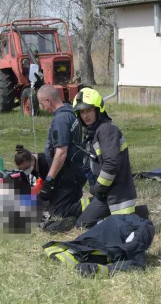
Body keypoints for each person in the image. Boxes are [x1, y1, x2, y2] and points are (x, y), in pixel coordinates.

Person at [72, 87, 137, 228]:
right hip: (105, 194)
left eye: (89, 110)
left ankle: (139, 216)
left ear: (98, 109)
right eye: (82, 112)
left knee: (118, 231)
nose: (85, 115)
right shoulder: (94, 131)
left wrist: (98, 188)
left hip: (119, 196)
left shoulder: (107, 130)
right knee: (81, 225)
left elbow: (111, 163)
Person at [35, 85, 88, 219]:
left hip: (67, 174)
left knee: (59, 213)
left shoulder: (61, 120)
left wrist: (49, 180)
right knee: (58, 204)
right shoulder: (70, 112)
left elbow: (61, 153)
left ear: (48, 100)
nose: (42, 108)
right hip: (75, 171)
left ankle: (95, 206)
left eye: (42, 104)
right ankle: (80, 202)